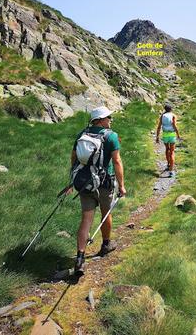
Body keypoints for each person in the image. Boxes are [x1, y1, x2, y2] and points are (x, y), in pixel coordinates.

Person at [71, 106, 126, 275]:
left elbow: (73, 157)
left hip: (84, 183)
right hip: (104, 183)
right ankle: (106, 244)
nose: (110, 120)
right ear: (101, 120)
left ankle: (80, 257)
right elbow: (116, 161)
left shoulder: (82, 134)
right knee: (105, 213)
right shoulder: (111, 136)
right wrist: (122, 185)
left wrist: (72, 179)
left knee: (86, 219)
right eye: (108, 117)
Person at [156, 104, 181, 177]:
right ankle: (171, 171)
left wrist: (157, 137)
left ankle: (168, 164)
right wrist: (178, 134)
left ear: (165, 109)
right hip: (172, 134)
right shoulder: (173, 115)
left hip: (165, 134)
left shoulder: (162, 116)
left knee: (167, 149)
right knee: (172, 151)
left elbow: (159, 127)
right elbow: (174, 125)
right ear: (171, 109)